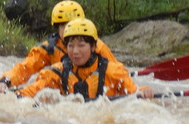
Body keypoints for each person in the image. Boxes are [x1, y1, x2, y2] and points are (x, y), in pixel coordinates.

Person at [0, 0, 124, 93]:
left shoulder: (96, 47)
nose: (70, 28)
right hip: (62, 91)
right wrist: (6, 80)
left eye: (71, 23)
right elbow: (25, 68)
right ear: (57, 28)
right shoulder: (48, 49)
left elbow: (116, 73)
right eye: (64, 25)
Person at [15, 18, 152, 101]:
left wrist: (144, 91)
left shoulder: (113, 71)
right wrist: (14, 96)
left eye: (81, 46)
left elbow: (134, 91)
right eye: (71, 46)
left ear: (93, 47)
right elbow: (32, 90)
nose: (75, 51)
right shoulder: (57, 72)